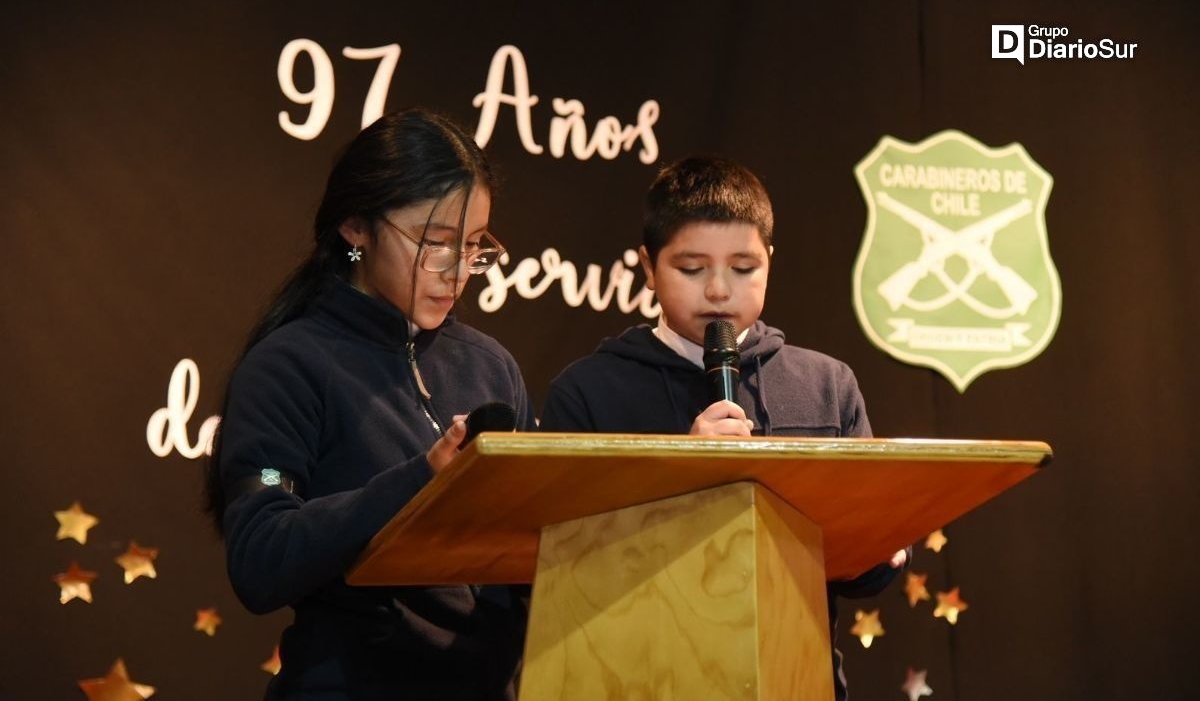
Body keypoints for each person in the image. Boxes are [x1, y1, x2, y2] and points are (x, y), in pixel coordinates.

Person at [539, 155, 908, 700]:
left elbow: (861, 576)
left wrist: (880, 542)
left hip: (793, 675)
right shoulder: (589, 391)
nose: (718, 291)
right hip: (636, 675)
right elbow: (565, 567)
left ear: (770, 262)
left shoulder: (827, 384)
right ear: (647, 267)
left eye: (743, 268)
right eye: (691, 269)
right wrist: (678, 475)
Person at [203, 109, 535, 700]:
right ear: (356, 227)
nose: (458, 271)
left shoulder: (491, 367)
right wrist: (420, 481)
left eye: (475, 246)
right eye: (435, 245)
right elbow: (261, 556)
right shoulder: (289, 366)